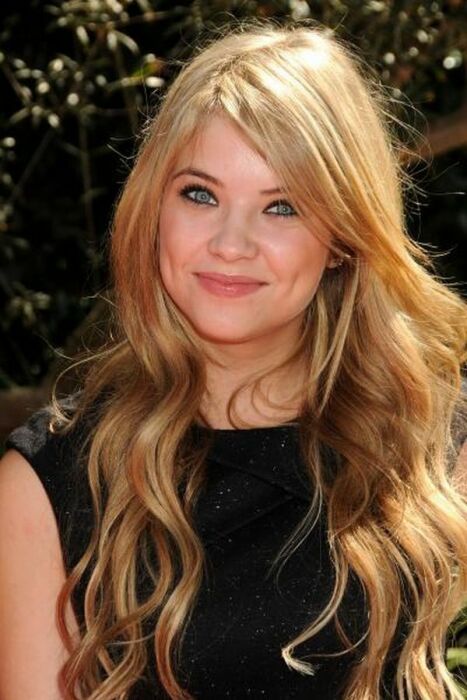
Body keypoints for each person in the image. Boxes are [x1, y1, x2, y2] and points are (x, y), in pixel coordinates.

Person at [1, 18, 467, 700]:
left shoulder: (442, 449)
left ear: (342, 238)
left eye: (282, 207)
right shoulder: (47, 486)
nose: (230, 243)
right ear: (153, 211)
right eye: (200, 194)